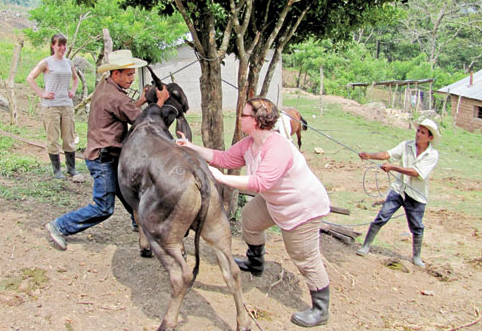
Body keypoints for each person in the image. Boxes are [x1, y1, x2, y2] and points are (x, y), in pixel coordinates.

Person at [177, 97, 331, 328]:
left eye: (244, 115)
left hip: (301, 207)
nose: (240, 118)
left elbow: (261, 182)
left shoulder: (277, 147)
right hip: (275, 201)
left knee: (304, 257)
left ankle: (320, 309)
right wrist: (190, 146)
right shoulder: (250, 143)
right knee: (249, 219)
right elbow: (223, 157)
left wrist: (220, 178)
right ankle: (255, 262)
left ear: (257, 121)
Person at [45, 49, 169, 250]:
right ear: (115, 74)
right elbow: (141, 120)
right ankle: (59, 226)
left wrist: (142, 100)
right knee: (103, 207)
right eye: (128, 74)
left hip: (109, 155)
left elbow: (122, 109)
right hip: (103, 159)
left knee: (130, 193)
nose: (132, 79)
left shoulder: (106, 87)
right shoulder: (115, 96)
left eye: (133, 74)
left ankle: (139, 222)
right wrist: (160, 102)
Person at [356, 118, 440, 268]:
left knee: (417, 226)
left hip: (416, 195)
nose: (418, 134)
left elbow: (416, 173)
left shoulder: (432, 155)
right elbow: (388, 154)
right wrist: (370, 155)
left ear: (430, 137)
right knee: (382, 216)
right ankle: (366, 246)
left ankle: (416, 257)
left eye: (422, 132)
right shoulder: (407, 145)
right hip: (399, 190)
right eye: (418, 131)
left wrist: (393, 168)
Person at [27, 34, 80, 180]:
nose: (62, 48)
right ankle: (57, 170)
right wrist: (41, 93)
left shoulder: (69, 63)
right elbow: (30, 77)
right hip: (51, 106)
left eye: (64, 45)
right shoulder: (46, 62)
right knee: (53, 138)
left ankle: (71, 168)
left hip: (66, 104)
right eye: (59, 45)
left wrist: (73, 91)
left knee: (69, 137)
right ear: (53, 46)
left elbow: (75, 79)